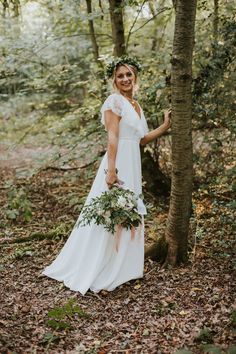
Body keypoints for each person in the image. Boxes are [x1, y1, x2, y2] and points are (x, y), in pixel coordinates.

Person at [42, 56, 171, 295]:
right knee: (111, 212)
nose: (124, 79)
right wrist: (111, 170)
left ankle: (124, 267)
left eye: (128, 75)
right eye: (120, 76)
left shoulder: (136, 105)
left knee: (128, 212)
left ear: (135, 77)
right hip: (118, 162)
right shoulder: (114, 101)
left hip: (133, 162)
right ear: (114, 80)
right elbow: (112, 137)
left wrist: (164, 127)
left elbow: (140, 139)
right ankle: (102, 266)